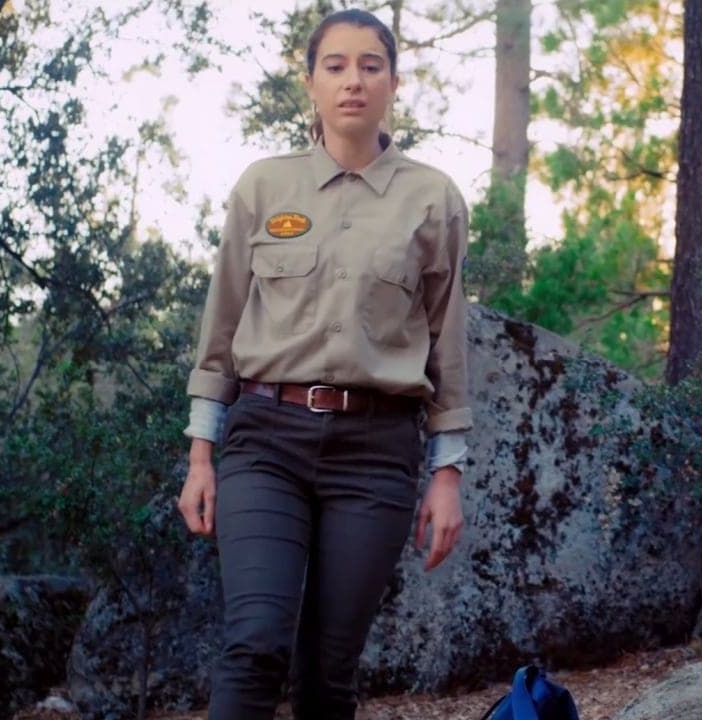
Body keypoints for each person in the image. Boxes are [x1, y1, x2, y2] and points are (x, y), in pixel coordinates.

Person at [174, 8, 472, 719]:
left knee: (327, 673)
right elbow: (219, 332)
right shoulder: (262, 189)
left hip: (376, 453)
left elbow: (448, 342)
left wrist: (448, 475)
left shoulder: (432, 199)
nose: (353, 82)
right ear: (310, 82)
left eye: (371, 65)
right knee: (254, 644)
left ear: (394, 83)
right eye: (335, 65)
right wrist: (200, 457)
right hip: (265, 442)